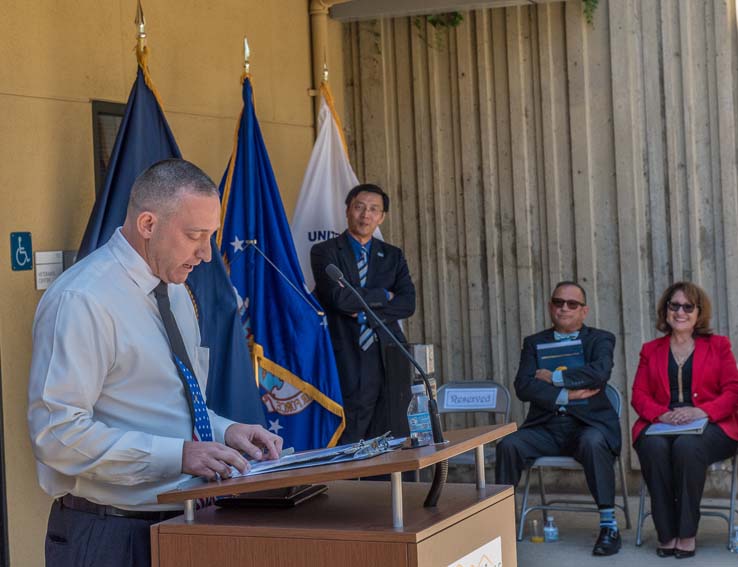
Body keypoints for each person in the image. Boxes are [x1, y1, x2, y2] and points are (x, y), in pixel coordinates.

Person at [27, 159, 283, 567]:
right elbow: (56, 434)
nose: (205, 254)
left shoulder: (176, 291)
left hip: (184, 523)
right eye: (195, 236)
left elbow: (173, 405)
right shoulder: (83, 300)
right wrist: (178, 456)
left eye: (211, 237)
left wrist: (226, 430)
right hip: (111, 534)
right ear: (148, 224)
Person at [495, 281, 622, 556]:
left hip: (588, 425)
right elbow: (524, 386)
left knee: (593, 442)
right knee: (508, 445)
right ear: (550, 306)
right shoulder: (534, 342)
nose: (564, 308)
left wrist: (554, 378)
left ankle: (609, 526)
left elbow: (599, 374)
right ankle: (499, 524)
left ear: (584, 311)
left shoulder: (600, 339)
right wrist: (567, 396)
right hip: (546, 427)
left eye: (572, 304)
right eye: (558, 302)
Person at [631, 281, 738, 558]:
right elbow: (639, 394)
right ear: (665, 311)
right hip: (661, 423)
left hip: (712, 425)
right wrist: (661, 414)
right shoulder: (650, 349)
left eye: (687, 306)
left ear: (698, 312)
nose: (680, 312)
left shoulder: (719, 346)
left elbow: (732, 391)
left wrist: (702, 411)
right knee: (653, 448)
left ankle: (687, 532)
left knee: (687, 447)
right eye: (674, 305)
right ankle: (667, 534)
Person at [310, 183, 416, 443]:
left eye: (373, 209)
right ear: (348, 210)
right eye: (359, 207)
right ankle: (351, 485)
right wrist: (383, 295)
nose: (365, 215)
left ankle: (386, 486)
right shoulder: (325, 251)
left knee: (392, 434)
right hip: (347, 354)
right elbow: (340, 299)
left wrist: (362, 305)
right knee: (352, 434)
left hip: (389, 355)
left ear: (381, 217)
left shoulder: (392, 255)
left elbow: (407, 303)